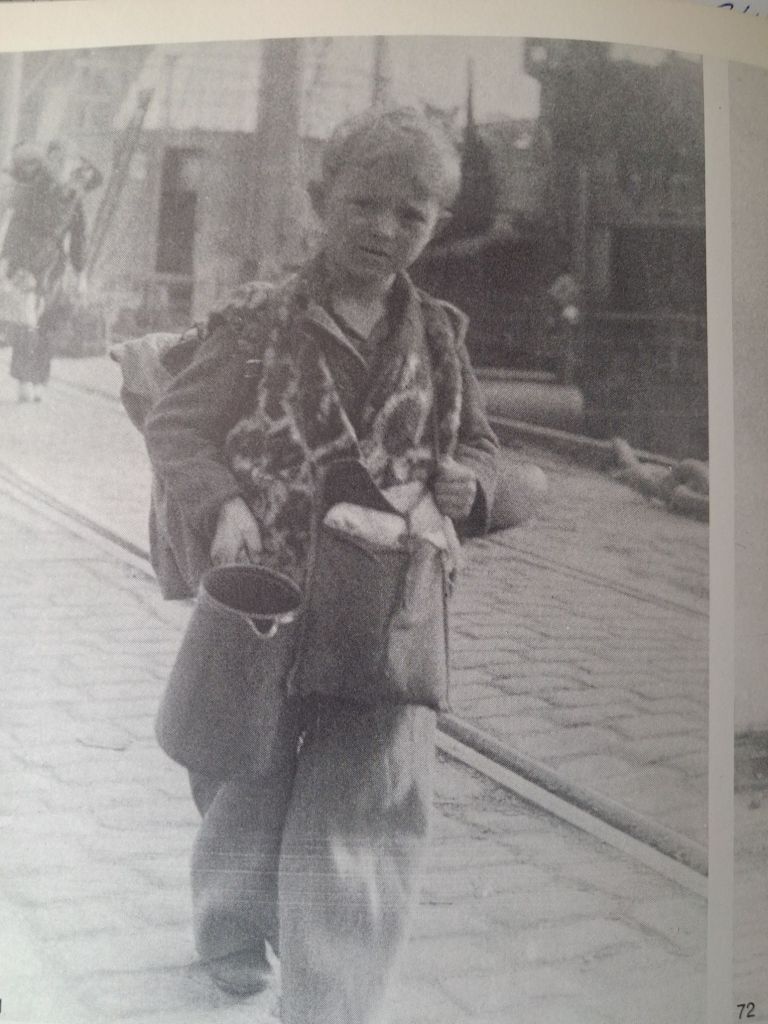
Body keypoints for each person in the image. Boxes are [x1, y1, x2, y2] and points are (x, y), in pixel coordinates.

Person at [143, 106, 500, 1024]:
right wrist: (221, 505)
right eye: (363, 204)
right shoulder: (257, 322)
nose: (384, 228)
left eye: (411, 214)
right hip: (271, 597)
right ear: (320, 199)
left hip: (387, 610)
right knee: (244, 778)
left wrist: (477, 488)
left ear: (436, 226)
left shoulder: (441, 338)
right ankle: (232, 929)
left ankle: (329, 1001)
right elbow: (177, 426)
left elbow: (484, 452)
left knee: (369, 800)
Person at [0, 140, 92, 402]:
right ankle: (23, 379)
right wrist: (7, 260)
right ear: (48, 162)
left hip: (53, 265)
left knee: (48, 323)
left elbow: (79, 237)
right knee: (27, 320)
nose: (60, 166)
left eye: (65, 161)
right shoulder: (32, 189)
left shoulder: (74, 197)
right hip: (26, 260)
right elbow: (16, 225)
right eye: (56, 160)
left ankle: (39, 379)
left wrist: (81, 274)